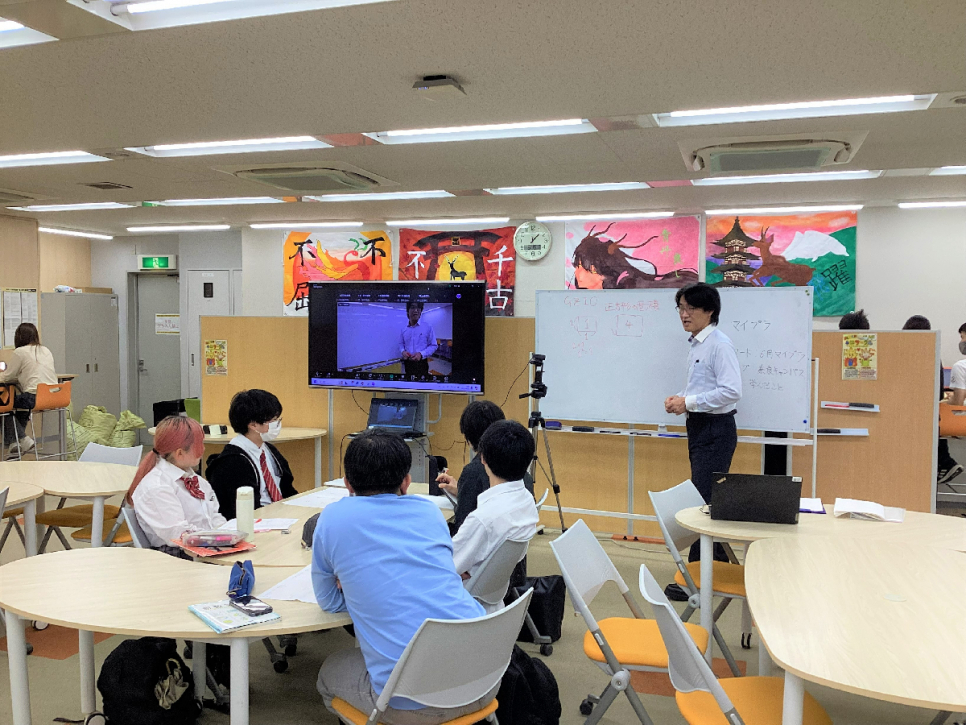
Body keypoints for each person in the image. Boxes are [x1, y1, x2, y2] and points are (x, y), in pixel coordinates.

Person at [312, 430, 492, 725]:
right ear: (406, 482)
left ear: (347, 484)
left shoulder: (331, 519)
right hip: (486, 679)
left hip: (414, 705)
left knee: (328, 672)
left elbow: (329, 602)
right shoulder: (430, 512)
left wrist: (363, 590)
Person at [664, 282, 741, 579]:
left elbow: (731, 391)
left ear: (709, 311)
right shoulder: (698, 344)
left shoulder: (719, 344)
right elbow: (703, 386)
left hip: (715, 429)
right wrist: (681, 398)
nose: (684, 314)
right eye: (681, 308)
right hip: (700, 427)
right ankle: (715, 568)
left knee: (702, 503)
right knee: (705, 500)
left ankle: (697, 577)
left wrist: (689, 402)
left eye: (691, 308)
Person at [451, 420, 539, 598]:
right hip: (493, 599)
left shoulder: (483, 519)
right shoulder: (526, 500)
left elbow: (444, 568)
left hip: (462, 600)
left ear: (482, 458)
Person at [128, 416, 226, 557]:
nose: (203, 449)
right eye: (199, 445)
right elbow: (178, 534)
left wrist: (227, 532)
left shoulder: (196, 480)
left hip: (204, 545)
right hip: (178, 555)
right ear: (179, 453)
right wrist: (219, 540)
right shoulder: (157, 487)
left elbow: (213, 516)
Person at [437, 400, 533, 530]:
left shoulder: (474, 471)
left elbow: (463, 527)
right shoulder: (517, 464)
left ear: (468, 439)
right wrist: (462, 492)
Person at [206, 389, 295, 520]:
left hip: (281, 513)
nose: (278, 424)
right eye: (274, 420)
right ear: (253, 425)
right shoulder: (233, 462)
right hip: (258, 520)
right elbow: (242, 510)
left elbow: (287, 488)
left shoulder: (268, 450)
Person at [902, 316, 963, 484]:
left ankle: (945, 462)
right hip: (930, 412)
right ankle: (945, 462)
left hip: (916, 413)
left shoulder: (910, 353)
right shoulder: (933, 353)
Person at [0, 323, 57, 454]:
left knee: (3, 404)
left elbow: (8, 377)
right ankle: (15, 445)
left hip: (34, 397)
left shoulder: (20, 352)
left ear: (18, 337)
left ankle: (22, 439)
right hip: (54, 396)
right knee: (20, 404)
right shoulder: (45, 350)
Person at [398, 301, 437, 377]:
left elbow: (433, 345)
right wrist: (403, 351)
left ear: (421, 311)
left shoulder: (427, 327)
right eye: (413, 307)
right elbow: (401, 343)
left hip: (422, 363)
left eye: (418, 308)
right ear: (408, 311)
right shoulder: (404, 329)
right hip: (408, 363)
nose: (416, 310)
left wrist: (421, 354)